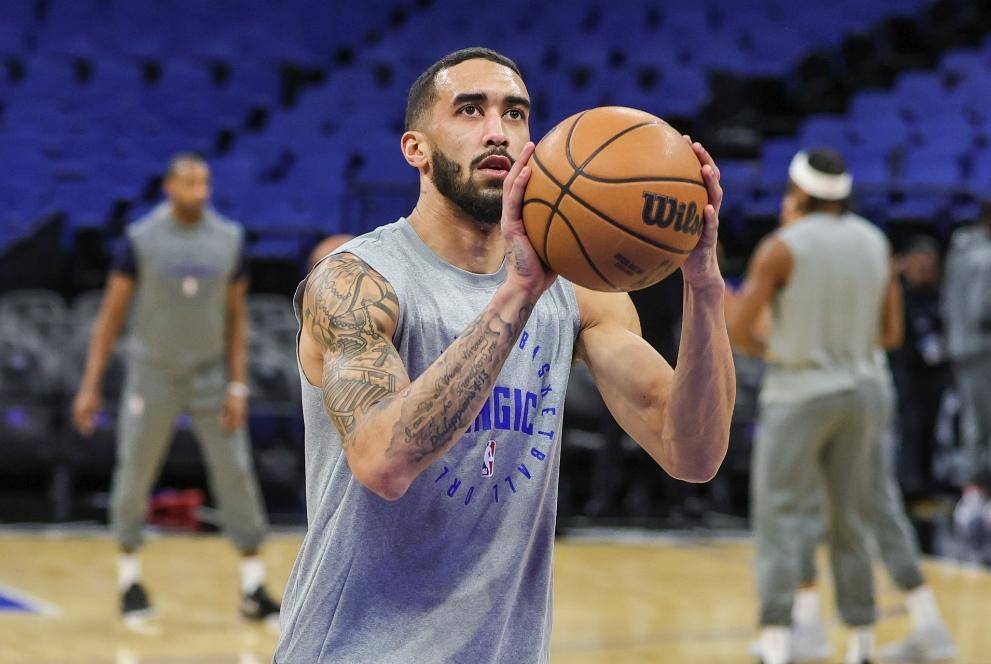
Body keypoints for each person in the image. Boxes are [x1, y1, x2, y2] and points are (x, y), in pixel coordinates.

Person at [274, 47, 735, 663]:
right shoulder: (357, 281)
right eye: (470, 110)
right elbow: (384, 462)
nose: (498, 130)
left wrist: (703, 286)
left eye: (515, 113)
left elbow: (692, 453)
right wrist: (518, 292)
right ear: (416, 149)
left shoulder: (580, 295)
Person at [71, 153, 279, 622]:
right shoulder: (141, 239)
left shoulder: (229, 239)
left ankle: (253, 585)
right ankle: (129, 579)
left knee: (235, 471)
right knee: (135, 470)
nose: (198, 191)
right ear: (169, 187)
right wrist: (90, 385)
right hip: (153, 373)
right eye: (189, 183)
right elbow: (110, 317)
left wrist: (238, 385)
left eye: (204, 182)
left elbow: (237, 320)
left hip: (211, 374)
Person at [728, 149, 901, 664]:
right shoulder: (875, 241)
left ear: (800, 191)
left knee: (780, 515)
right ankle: (862, 643)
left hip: (799, 393)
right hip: (863, 393)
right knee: (851, 519)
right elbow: (891, 333)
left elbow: (740, 330)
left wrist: (782, 346)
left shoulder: (782, 247)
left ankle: (777, 644)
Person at [944, 200, 991, 555]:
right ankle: (978, 499)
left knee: (972, 423)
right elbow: (983, 309)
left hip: (960, 346)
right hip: (984, 348)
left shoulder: (959, 249)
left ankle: (971, 496)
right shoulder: (985, 257)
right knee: (982, 426)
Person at [889, 236, 947, 496]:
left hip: (933, 370)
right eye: (919, 265)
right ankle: (907, 479)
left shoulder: (939, 294)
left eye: (929, 266)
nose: (924, 271)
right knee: (909, 424)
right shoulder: (897, 292)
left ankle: (927, 477)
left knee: (932, 424)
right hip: (904, 367)